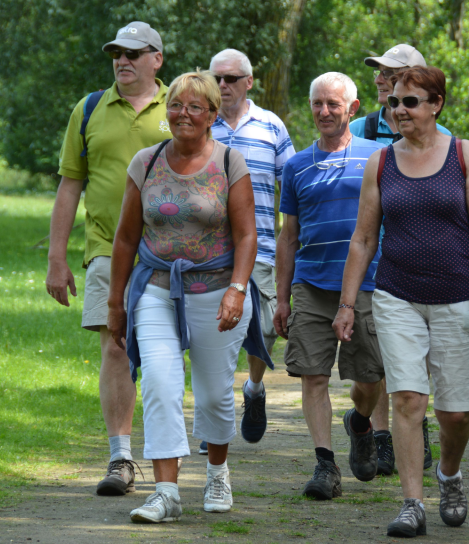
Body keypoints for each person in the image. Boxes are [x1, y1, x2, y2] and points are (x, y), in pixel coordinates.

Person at [333, 66, 469, 537]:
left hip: (460, 294)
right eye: (394, 102)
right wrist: (347, 304)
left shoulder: (465, 155)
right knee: (408, 398)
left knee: (455, 413)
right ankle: (412, 503)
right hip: (397, 295)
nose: (399, 110)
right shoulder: (381, 162)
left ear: (436, 104)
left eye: (410, 101)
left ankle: (449, 474)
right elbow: (363, 238)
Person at [108, 69, 270, 522]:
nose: (183, 113)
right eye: (176, 105)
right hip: (156, 289)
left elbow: (247, 235)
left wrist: (237, 289)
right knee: (159, 385)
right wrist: (116, 302)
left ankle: (217, 472)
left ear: (212, 115)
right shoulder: (146, 162)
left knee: (214, 394)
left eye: (194, 106)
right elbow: (125, 238)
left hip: (218, 290)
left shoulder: (229, 162)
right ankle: (166, 493)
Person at [46, 22, 170, 496]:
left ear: (157, 59)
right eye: (117, 52)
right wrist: (57, 258)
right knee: (115, 346)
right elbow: (70, 185)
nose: (123, 60)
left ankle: (168, 453)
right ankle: (120, 458)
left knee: (162, 356)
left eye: (134, 53)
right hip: (105, 249)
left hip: (170, 254)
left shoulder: (179, 104)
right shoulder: (89, 108)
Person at [273, 72, 385, 501]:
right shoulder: (296, 166)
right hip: (312, 284)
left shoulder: (378, 157)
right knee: (312, 375)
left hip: (369, 285)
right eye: (317, 103)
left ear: (352, 108)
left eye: (332, 104)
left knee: (370, 378)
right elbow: (288, 237)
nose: (323, 111)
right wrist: (283, 298)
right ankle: (325, 464)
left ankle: (360, 422)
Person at [350, 44, 452, 476]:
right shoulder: (358, 129)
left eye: (391, 73)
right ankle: (377, 434)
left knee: (415, 358)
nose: (380, 79)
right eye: (379, 72)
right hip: (369, 262)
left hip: (420, 266)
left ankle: (410, 427)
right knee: (376, 364)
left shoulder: (442, 136)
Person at [200, 49, 295, 450]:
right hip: (208, 251)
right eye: (217, 78)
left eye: (231, 78)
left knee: (267, 328)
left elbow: (292, 185)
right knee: (209, 333)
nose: (223, 85)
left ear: (249, 82)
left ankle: (254, 388)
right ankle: (212, 418)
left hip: (262, 249)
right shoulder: (201, 123)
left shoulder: (271, 126)